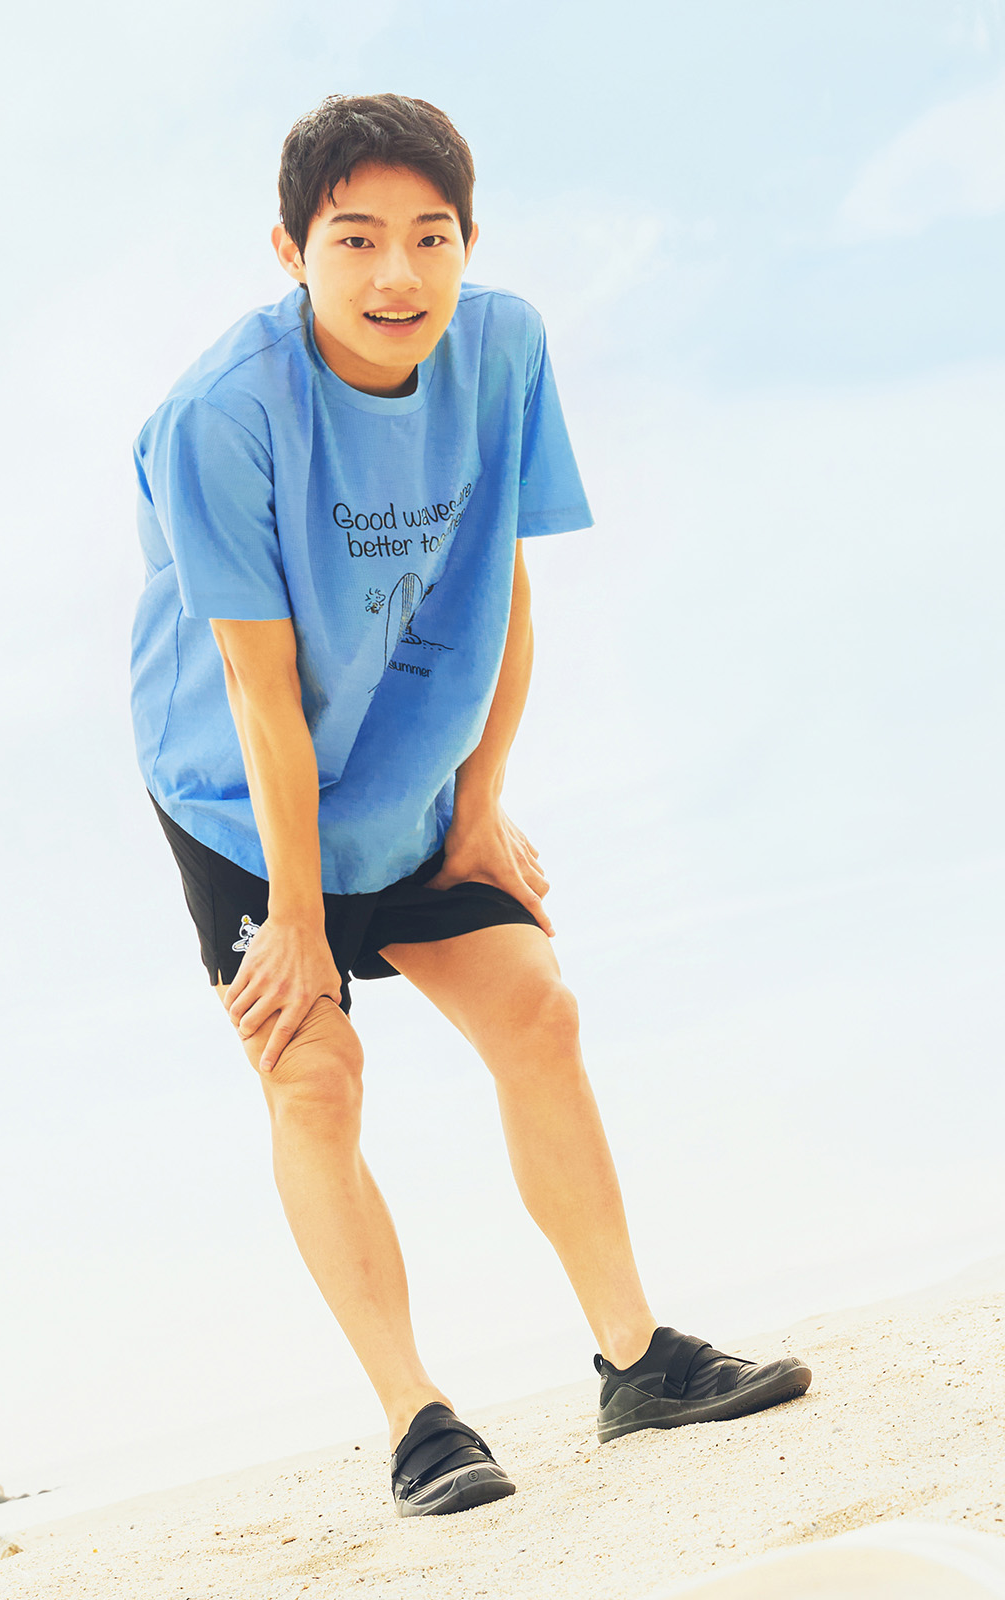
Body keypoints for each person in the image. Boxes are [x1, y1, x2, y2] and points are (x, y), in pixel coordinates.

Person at [130, 93, 811, 1518]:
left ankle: (636, 1362)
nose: (398, 274)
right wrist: (297, 921)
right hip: (243, 794)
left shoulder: (502, 348)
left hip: (411, 765)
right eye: (356, 239)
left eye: (430, 237)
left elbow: (500, 580)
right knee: (314, 1073)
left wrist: (481, 799)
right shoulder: (220, 418)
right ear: (290, 251)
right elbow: (257, 689)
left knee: (537, 1011)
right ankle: (418, 1420)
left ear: (469, 242)